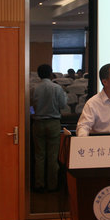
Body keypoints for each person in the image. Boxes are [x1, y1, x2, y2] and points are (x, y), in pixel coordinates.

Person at [31, 64, 68, 192]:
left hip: (37, 123)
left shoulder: (33, 88)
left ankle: (39, 184)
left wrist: (35, 112)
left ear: (39, 74)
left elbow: (30, 106)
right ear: (51, 73)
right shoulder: (57, 88)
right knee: (52, 156)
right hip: (53, 122)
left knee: (39, 156)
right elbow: (62, 105)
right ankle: (52, 185)